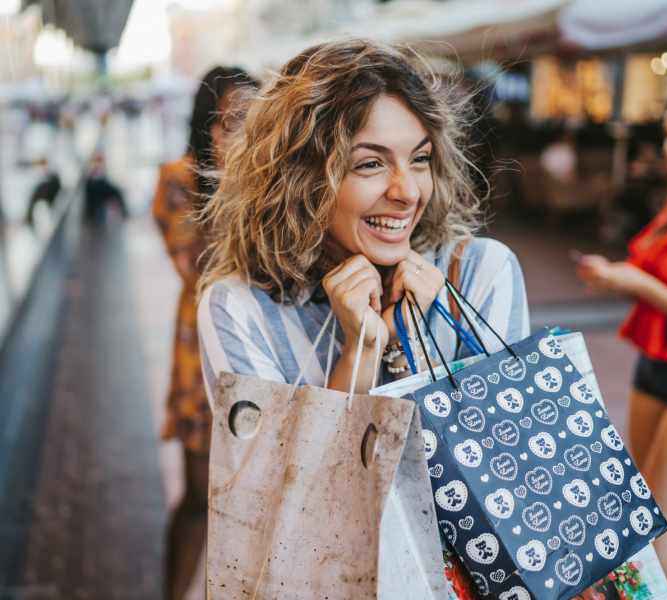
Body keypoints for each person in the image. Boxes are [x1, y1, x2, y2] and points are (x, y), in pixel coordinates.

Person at [196, 39, 529, 598]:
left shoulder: (478, 276)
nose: (406, 192)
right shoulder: (241, 311)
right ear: (302, 176)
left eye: (419, 159)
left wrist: (424, 350)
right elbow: (283, 524)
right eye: (370, 164)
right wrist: (360, 354)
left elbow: (513, 479)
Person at [576, 78, 667, 600]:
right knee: (662, 508)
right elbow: (655, 268)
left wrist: (643, 287)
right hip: (656, 365)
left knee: (651, 519)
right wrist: (616, 275)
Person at [152, 65, 258, 600]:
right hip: (200, 352)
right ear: (208, 126)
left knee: (252, 500)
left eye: (254, 119)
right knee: (197, 495)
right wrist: (230, 176)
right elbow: (203, 265)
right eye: (233, 120)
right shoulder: (179, 180)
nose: (246, 132)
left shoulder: (270, 182)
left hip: (259, 355)